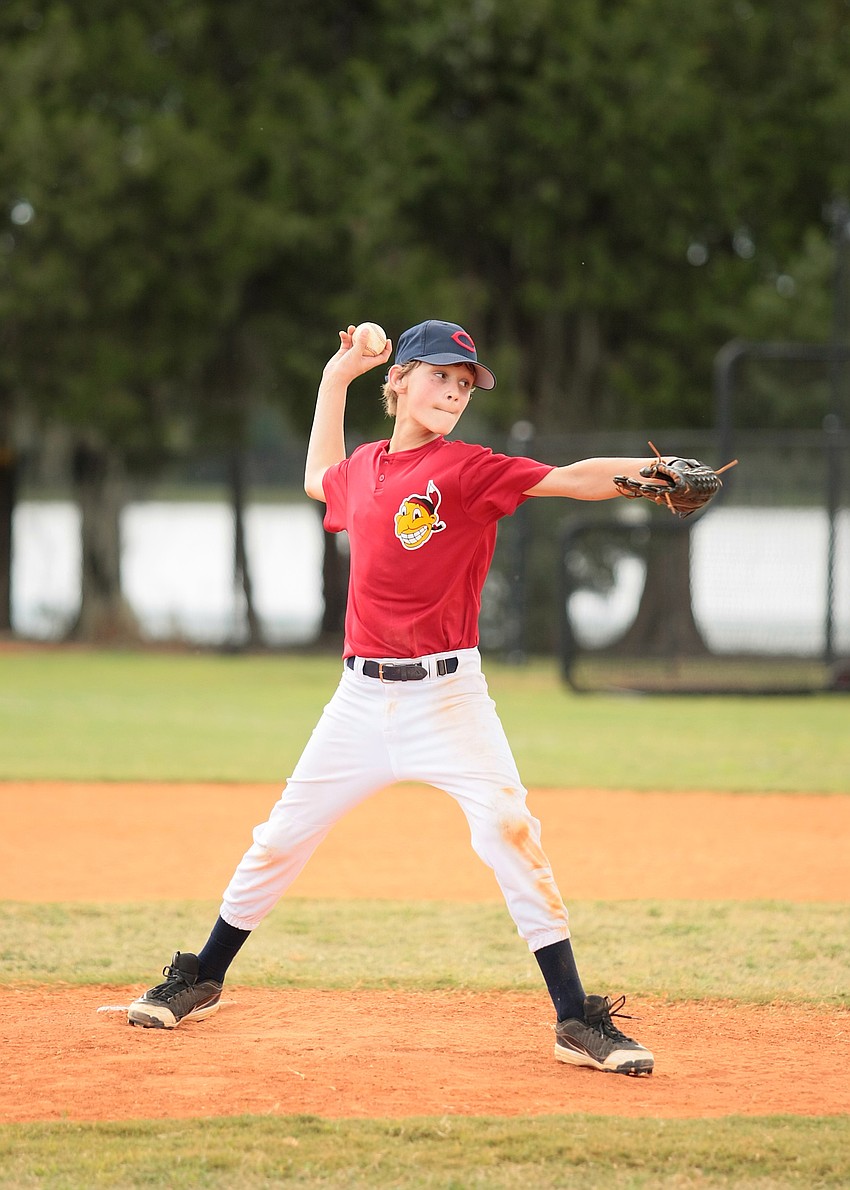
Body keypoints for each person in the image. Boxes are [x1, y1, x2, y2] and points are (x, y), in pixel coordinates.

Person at [128, 318, 662, 1076]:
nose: (453, 390)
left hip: (450, 700)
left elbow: (570, 478)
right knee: (281, 838)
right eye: (440, 374)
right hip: (358, 701)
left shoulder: (468, 468)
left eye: (464, 382)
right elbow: (319, 475)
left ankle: (576, 1019)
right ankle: (201, 976)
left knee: (511, 831)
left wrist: (653, 473)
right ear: (402, 380)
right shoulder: (365, 470)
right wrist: (336, 375)